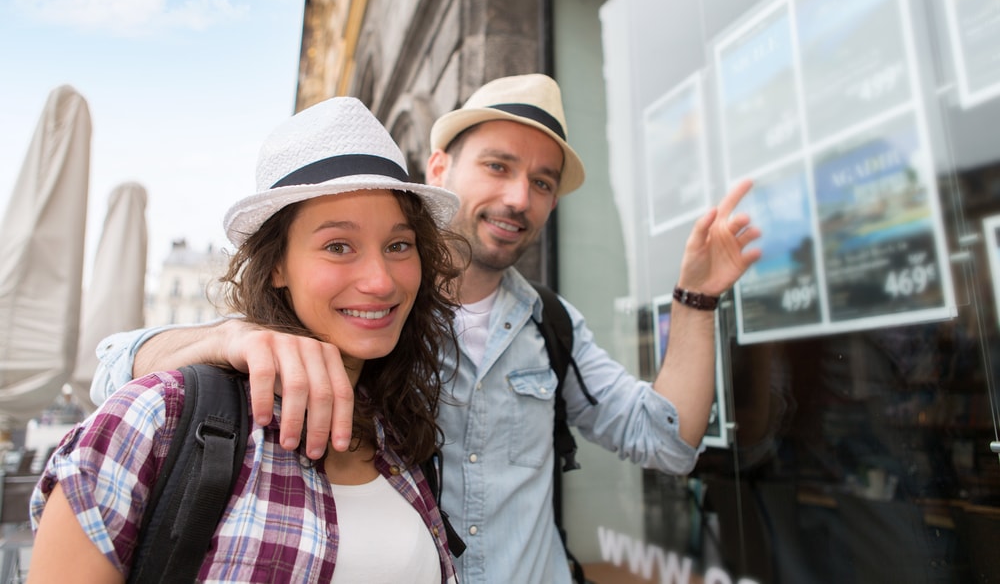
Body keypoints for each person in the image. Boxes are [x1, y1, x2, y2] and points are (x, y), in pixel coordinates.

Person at [92, 74, 762, 583]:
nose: (518, 198)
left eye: (542, 181)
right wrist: (231, 335)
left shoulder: (552, 326)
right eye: (498, 166)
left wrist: (695, 300)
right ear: (439, 170)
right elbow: (115, 367)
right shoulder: (369, 319)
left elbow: (667, 440)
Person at [30, 97, 465, 583]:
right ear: (277, 265)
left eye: (398, 245)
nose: (381, 281)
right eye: (338, 246)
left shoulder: (396, 429)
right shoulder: (158, 417)